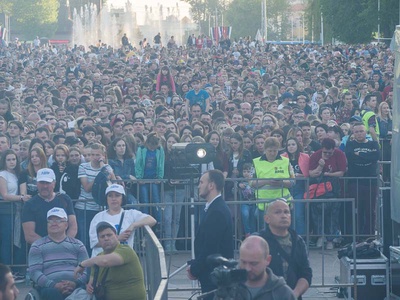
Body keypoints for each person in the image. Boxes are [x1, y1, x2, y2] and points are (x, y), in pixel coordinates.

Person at [187, 170, 233, 299]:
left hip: (215, 276)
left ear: (211, 185)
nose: (198, 186)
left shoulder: (217, 211)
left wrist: (194, 269)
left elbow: (210, 248)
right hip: (211, 274)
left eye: (201, 182)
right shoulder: (213, 208)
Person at [74, 221, 146, 300]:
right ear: (99, 240)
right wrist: (89, 287)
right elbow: (92, 282)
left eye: (109, 235)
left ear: (116, 236)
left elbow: (105, 261)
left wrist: (83, 264)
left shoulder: (126, 250)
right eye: (102, 236)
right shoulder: (98, 258)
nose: (106, 238)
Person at [28, 208, 89, 300]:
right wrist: (54, 285)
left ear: (66, 225)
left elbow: (87, 269)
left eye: (59, 220)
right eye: (50, 221)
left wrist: (76, 283)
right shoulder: (37, 246)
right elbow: (34, 272)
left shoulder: (78, 245)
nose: (54, 223)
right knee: (51, 293)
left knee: (87, 291)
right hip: (49, 288)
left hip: (76, 285)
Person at [257, 199, 312, 300]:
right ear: (267, 218)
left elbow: (306, 273)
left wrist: (294, 294)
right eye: (277, 212)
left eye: (286, 212)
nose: (283, 215)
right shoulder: (258, 241)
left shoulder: (298, 241)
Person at [89, 184, 156, 257]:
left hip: (123, 260)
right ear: (106, 198)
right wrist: (117, 238)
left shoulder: (130, 214)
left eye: (117, 195)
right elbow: (94, 243)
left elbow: (152, 220)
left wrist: (133, 225)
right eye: (110, 196)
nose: (113, 199)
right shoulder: (98, 217)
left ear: (122, 198)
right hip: (101, 260)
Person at [22, 168, 77, 244]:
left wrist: (64, 245)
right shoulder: (30, 204)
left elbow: (73, 227)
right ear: (37, 184)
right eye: (42, 182)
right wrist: (50, 247)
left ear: (54, 183)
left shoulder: (65, 199)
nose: (45, 186)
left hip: (64, 248)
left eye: (48, 183)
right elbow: (29, 235)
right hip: (40, 250)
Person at [251, 137, 294, 229]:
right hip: (263, 205)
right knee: (264, 233)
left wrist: (281, 183)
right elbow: (251, 183)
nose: (272, 153)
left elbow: (293, 181)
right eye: (270, 151)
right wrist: (266, 181)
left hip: (283, 203)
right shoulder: (255, 162)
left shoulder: (286, 161)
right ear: (265, 149)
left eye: (275, 151)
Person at [345, 122, 380, 235]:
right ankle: (357, 234)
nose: (359, 134)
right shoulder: (350, 144)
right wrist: (367, 157)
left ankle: (370, 234)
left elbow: (376, 156)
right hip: (354, 181)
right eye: (356, 132)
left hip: (371, 182)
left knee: (370, 210)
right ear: (353, 133)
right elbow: (350, 157)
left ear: (366, 132)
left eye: (361, 131)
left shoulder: (373, 144)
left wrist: (359, 154)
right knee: (357, 210)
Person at [237, 235, 296, 300]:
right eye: (243, 262)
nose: (247, 268)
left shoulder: (283, 294)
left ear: (268, 260)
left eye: (253, 263)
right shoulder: (229, 288)